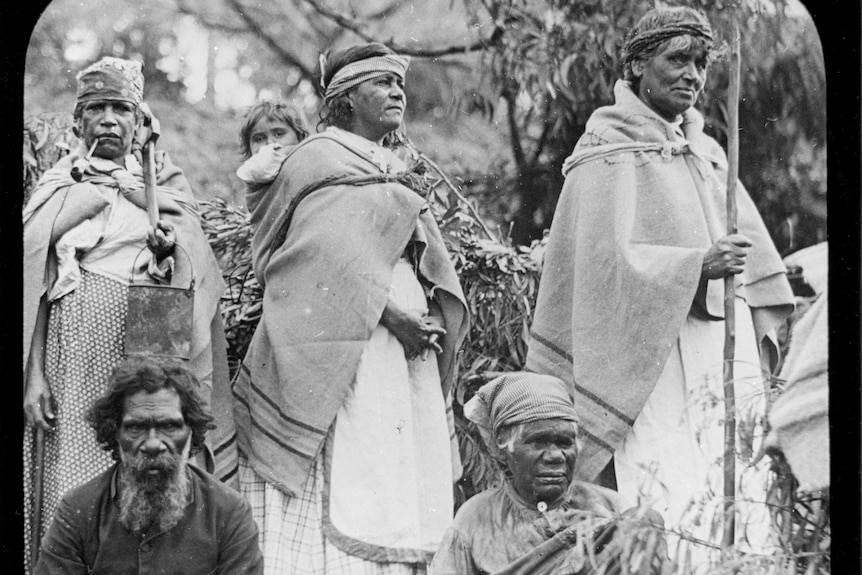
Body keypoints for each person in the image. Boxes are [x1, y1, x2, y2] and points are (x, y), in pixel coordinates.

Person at [525, 6, 795, 557]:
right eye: (677, 59)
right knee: (666, 475)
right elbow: (605, 270)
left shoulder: (708, 152)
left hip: (721, 343)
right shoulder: (606, 153)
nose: (693, 74)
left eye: (700, 62)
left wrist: (734, 270)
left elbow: (752, 259)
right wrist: (698, 266)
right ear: (637, 67)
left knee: (734, 477)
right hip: (647, 355)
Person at [233, 42, 469, 574]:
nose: (395, 93)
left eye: (399, 85)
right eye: (381, 84)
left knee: (395, 455)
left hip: (403, 338)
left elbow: (414, 251)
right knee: (350, 452)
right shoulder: (316, 158)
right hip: (345, 340)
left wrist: (427, 307)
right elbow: (312, 262)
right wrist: (391, 315)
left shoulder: (394, 165)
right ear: (345, 97)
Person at [23, 56, 236, 568]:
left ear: (140, 122)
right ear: (79, 122)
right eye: (97, 109)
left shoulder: (163, 189)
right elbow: (35, 286)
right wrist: (33, 376)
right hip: (68, 357)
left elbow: (193, 268)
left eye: (122, 109)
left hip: (141, 350)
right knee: (73, 470)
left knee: (142, 464)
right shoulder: (58, 187)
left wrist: (167, 250)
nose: (110, 121)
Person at [34, 357, 263, 574]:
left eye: (169, 426)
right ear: (114, 433)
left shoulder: (229, 513)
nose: (153, 444)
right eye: (136, 428)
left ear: (191, 431)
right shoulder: (78, 511)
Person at [429, 372, 664, 575]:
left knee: (644, 522)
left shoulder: (608, 507)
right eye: (538, 442)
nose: (555, 456)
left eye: (564, 443)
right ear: (505, 447)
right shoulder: (476, 519)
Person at [236, 99, 310, 189]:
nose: (270, 143)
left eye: (279, 134)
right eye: (259, 139)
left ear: (300, 137)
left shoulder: (309, 169)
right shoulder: (253, 179)